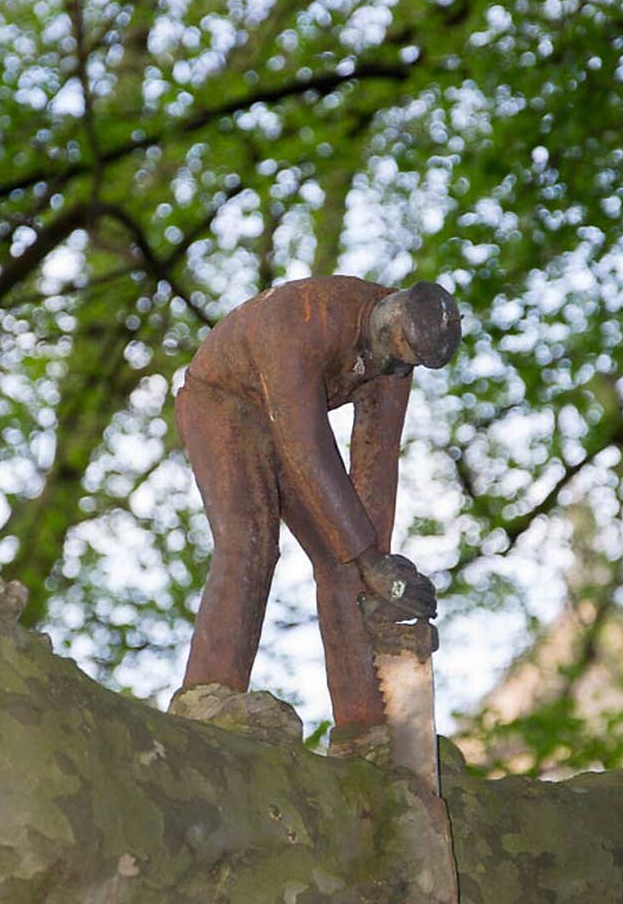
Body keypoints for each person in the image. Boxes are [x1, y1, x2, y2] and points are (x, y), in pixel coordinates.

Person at [175, 274, 461, 751]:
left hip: (287, 422)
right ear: (387, 317)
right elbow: (305, 443)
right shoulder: (302, 318)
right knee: (250, 539)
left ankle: (365, 730)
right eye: (391, 353)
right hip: (222, 402)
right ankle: (209, 695)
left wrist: (379, 575)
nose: (390, 367)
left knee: (344, 565)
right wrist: (368, 557)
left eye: (403, 363)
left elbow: (377, 460)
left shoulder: (396, 363)